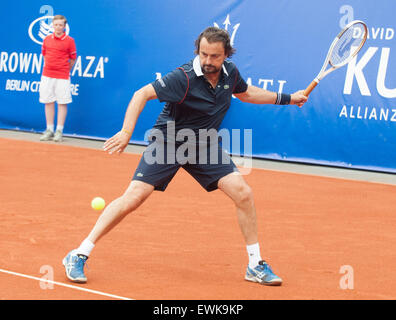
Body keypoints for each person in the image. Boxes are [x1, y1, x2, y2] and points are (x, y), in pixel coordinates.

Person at [63, 27, 307, 286]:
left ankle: (255, 264)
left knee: (243, 193)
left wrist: (288, 98)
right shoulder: (184, 77)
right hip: (169, 142)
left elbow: (245, 93)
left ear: (226, 55)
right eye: (203, 54)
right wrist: (126, 131)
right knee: (133, 198)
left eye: (214, 56)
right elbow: (141, 94)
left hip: (204, 145)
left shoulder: (231, 73)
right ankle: (78, 253)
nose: (208, 61)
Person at [39, 15, 76, 142]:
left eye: (60, 25)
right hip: (47, 75)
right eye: (56, 25)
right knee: (48, 101)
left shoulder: (70, 40)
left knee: (62, 102)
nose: (58, 27)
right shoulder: (47, 39)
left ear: (64, 26)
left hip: (63, 76)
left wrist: (64, 69)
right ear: (52, 25)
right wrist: (51, 67)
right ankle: (49, 130)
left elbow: (73, 59)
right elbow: (44, 55)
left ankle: (59, 131)